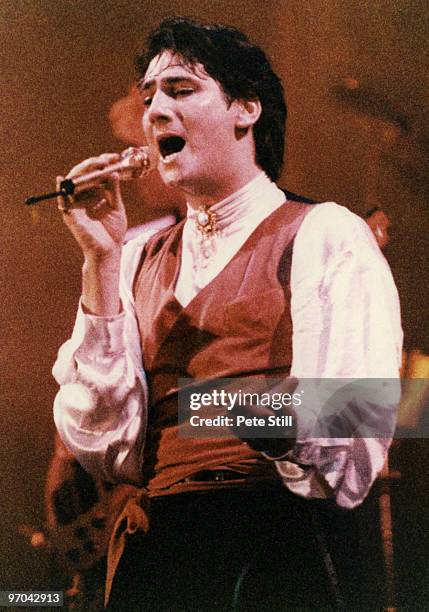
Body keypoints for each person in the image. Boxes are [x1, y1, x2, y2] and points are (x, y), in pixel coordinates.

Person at [52, 17, 403, 611]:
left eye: (181, 90)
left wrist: (209, 404)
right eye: (148, 97)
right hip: (155, 553)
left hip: (276, 547)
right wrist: (100, 260)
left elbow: (362, 417)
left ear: (246, 109)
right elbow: (102, 444)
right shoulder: (134, 256)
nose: (155, 111)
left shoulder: (326, 233)